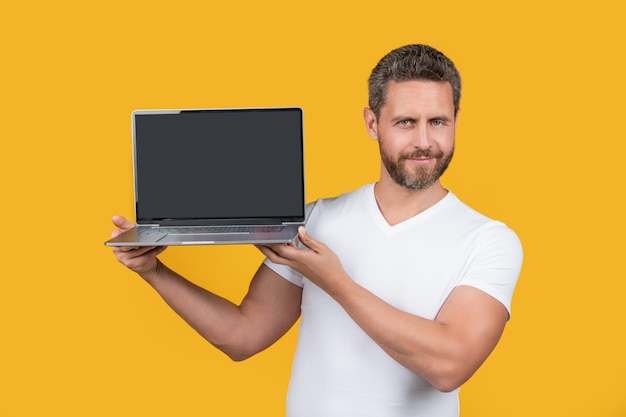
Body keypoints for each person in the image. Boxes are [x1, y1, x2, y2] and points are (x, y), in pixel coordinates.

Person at [111, 44, 523, 417]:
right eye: (404, 122)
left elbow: (449, 366)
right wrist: (154, 273)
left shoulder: (488, 240)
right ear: (372, 123)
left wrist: (334, 281)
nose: (423, 141)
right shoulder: (317, 221)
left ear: (456, 121)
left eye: (438, 121)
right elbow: (242, 336)